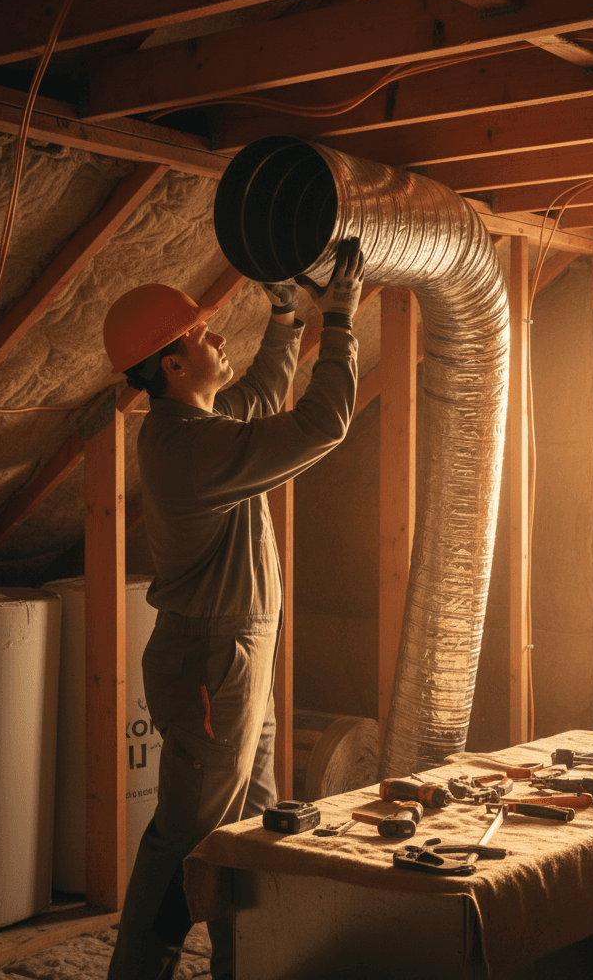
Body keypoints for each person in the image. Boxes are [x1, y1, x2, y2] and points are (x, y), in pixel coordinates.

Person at [100, 238, 364, 980]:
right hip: (216, 659)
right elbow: (322, 423)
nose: (217, 337)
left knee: (250, 828)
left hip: (235, 654)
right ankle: (137, 971)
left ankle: (245, 965)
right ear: (175, 367)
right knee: (190, 836)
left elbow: (259, 396)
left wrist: (286, 316)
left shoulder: (199, 427)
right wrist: (338, 320)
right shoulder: (189, 452)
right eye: (199, 335)